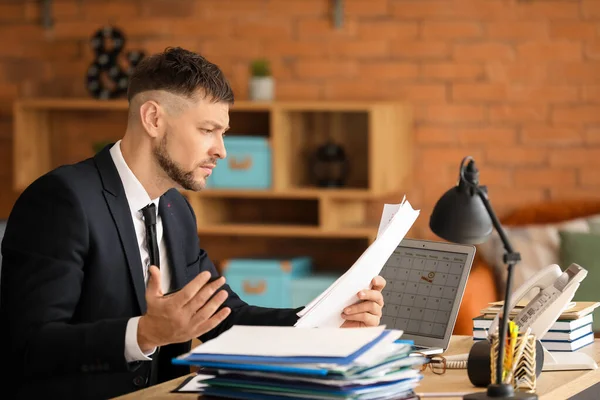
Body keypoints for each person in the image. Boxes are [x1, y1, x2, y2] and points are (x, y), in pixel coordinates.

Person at [0, 47, 387, 399]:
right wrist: (144, 333)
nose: (221, 150)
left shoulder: (175, 209)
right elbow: (30, 346)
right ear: (153, 118)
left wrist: (331, 322)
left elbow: (224, 316)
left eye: (223, 133)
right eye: (207, 130)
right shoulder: (62, 199)